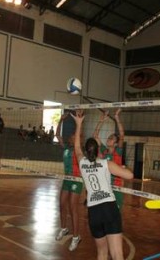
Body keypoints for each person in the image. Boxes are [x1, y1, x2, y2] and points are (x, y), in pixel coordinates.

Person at [71, 110, 133, 260]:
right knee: (117, 254)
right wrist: (123, 168)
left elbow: (77, 148)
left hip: (94, 211)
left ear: (87, 152)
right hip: (109, 207)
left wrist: (78, 124)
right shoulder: (106, 163)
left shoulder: (82, 163)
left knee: (101, 253)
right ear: (99, 150)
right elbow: (130, 176)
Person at [55, 112, 83, 252]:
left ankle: (76, 236)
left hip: (77, 179)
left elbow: (79, 136)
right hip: (67, 179)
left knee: (73, 207)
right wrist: (60, 120)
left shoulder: (79, 150)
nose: (70, 138)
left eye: (73, 137)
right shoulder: (66, 148)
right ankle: (64, 228)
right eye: (71, 137)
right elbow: (57, 135)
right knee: (61, 204)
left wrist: (79, 123)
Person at [93, 109, 125, 209]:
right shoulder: (104, 150)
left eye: (111, 138)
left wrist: (116, 117)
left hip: (116, 187)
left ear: (115, 143)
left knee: (116, 213)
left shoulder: (118, 152)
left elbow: (122, 135)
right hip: (105, 186)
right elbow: (95, 136)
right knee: (106, 212)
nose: (108, 138)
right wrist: (101, 120)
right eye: (109, 137)